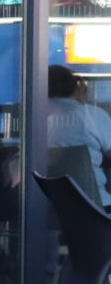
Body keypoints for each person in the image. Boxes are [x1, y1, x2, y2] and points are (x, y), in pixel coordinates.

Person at [46, 64, 111, 205]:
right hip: (96, 204)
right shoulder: (93, 115)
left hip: (46, 206)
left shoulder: (35, 116)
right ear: (76, 87)